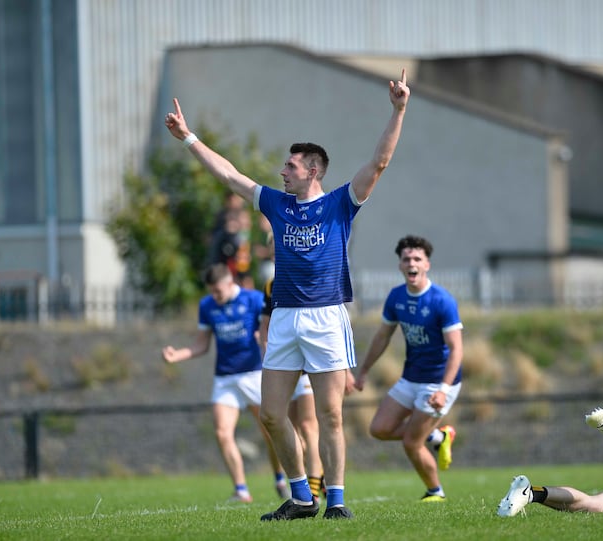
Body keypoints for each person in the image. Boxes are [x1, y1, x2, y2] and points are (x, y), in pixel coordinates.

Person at [164, 69, 411, 520]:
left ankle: (335, 501)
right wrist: (188, 138)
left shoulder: (340, 202)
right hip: (283, 318)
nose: (282, 172)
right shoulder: (276, 204)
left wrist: (398, 110)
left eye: (290, 166)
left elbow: (378, 163)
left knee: (331, 417)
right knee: (273, 415)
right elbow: (229, 174)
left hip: (325, 318)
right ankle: (301, 497)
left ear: (312, 170)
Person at [161, 264, 290, 503]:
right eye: (212, 292)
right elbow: (202, 345)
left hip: (254, 374)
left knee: (271, 432)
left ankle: (280, 477)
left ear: (231, 284)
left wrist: (264, 337)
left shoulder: (254, 299)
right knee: (222, 433)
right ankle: (241, 489)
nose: (215, 297)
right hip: (225, 378)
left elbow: (269, 328)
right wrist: (176, 355)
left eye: (218, 291)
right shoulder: (207, 306)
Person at [353, 235, 462, 502]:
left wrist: (444, 390)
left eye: (417, 259)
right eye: (406, 259)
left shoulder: (441, 301)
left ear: (427, 265)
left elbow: (457, 349)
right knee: (379, 429)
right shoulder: (396, 297)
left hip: (438, 382)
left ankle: (435, 492)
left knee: (412, 442)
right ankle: (438, 436)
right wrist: (364, 370)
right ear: (400, 265)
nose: (411, 263)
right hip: (411, 377)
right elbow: (382, 336)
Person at [258, 248, 325, 502]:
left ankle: (314, 490)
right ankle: (307, 482)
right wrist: (267, 355)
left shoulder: (311, 275)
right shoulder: (271, 285)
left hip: (308, 364)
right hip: (283, 365)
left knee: (310, 425)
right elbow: (264, 326)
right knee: (287, 425)